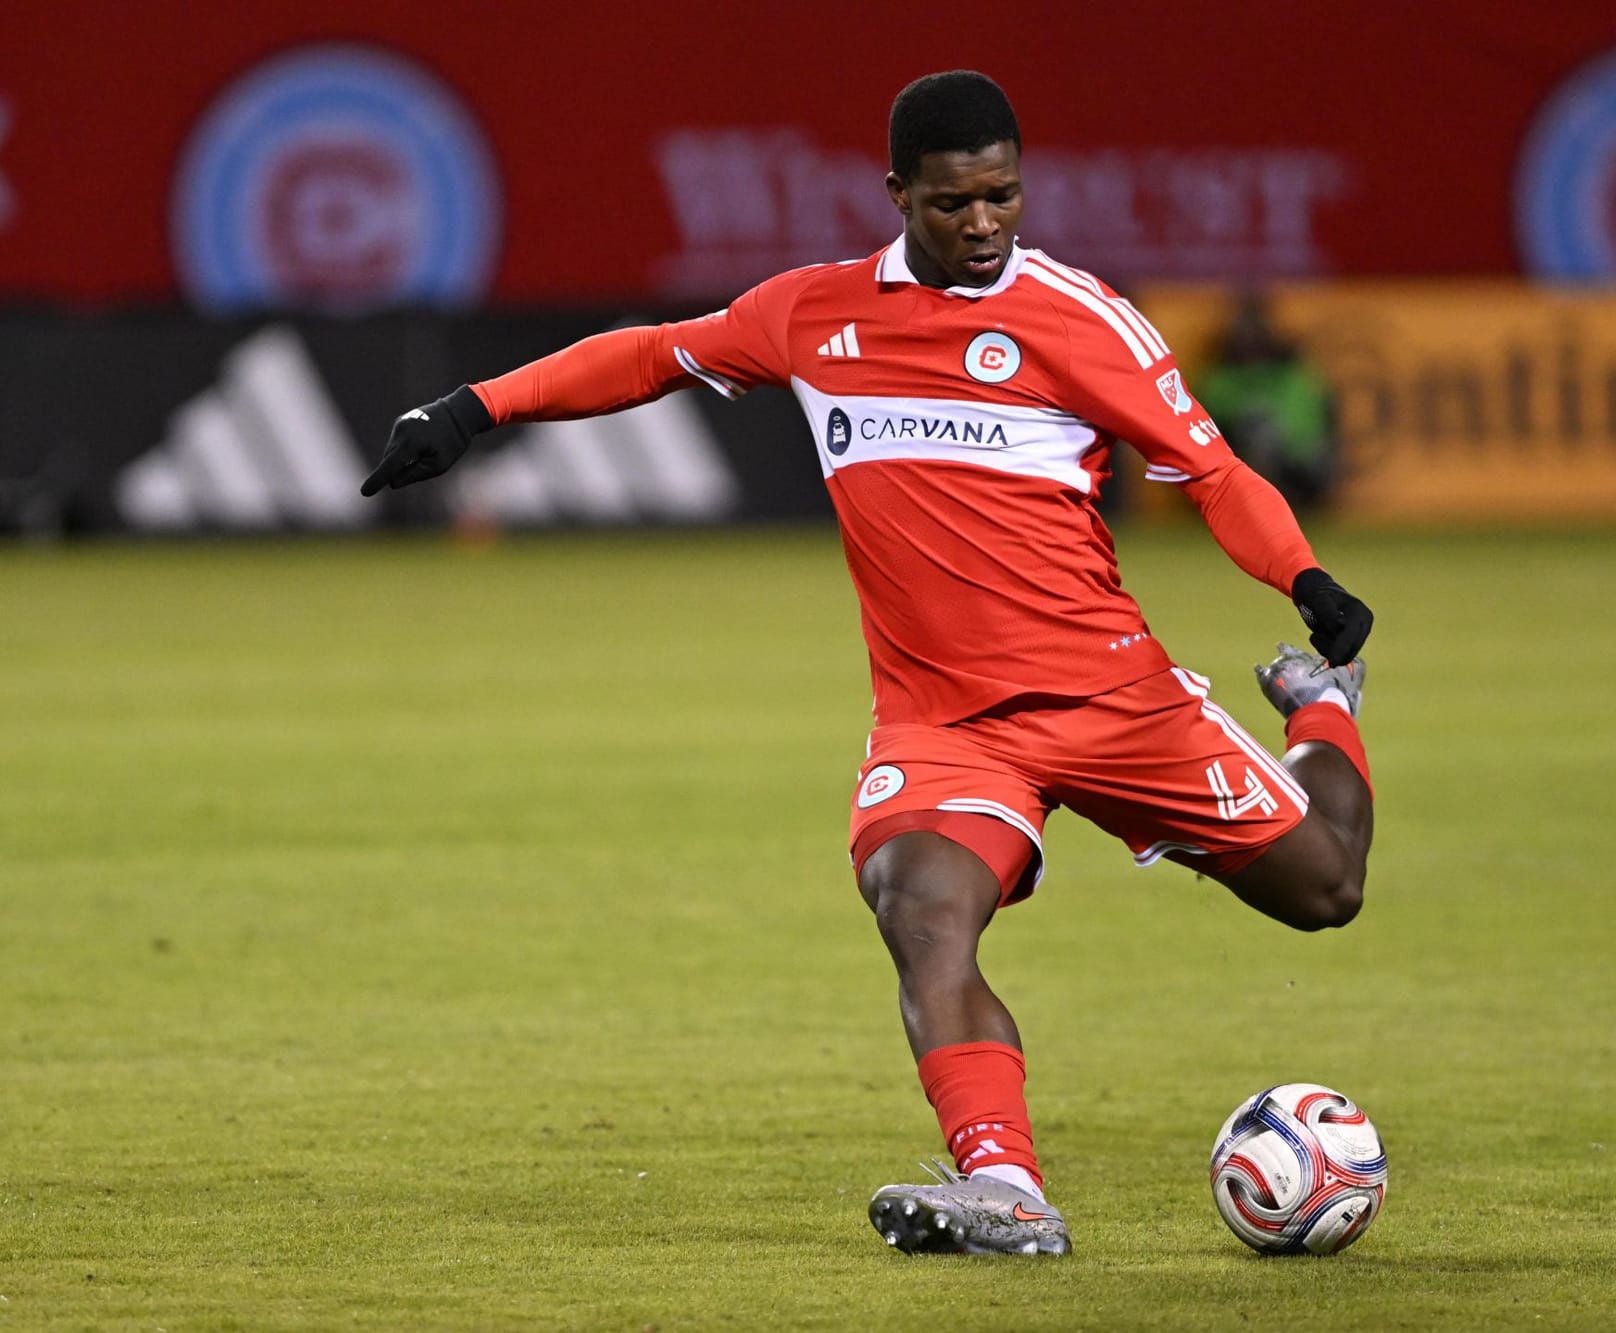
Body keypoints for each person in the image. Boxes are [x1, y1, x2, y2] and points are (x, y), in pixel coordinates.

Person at [361, 70, 1376, 1258]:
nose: (986, 223)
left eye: (1003, 196)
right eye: (956, 203)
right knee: (920, 908)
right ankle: (1005, 1187)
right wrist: (474, 408)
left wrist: (1302, 581)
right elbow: (654, 355)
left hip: (1113, 698)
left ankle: (1321, 712)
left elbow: (1209, 473)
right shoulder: (815, 315)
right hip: (944, 724)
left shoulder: (1080, 318)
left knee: (1327, 888)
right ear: (896, 193)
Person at [1199, 291, 1342, 508]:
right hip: (1238, 470)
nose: (1250, 339)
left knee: (1266, 433)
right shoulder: (1219, 380)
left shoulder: (1296, 376)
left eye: (1254, 330)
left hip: (1300, 466)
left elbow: (1321, 427)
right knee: (1256, 429)